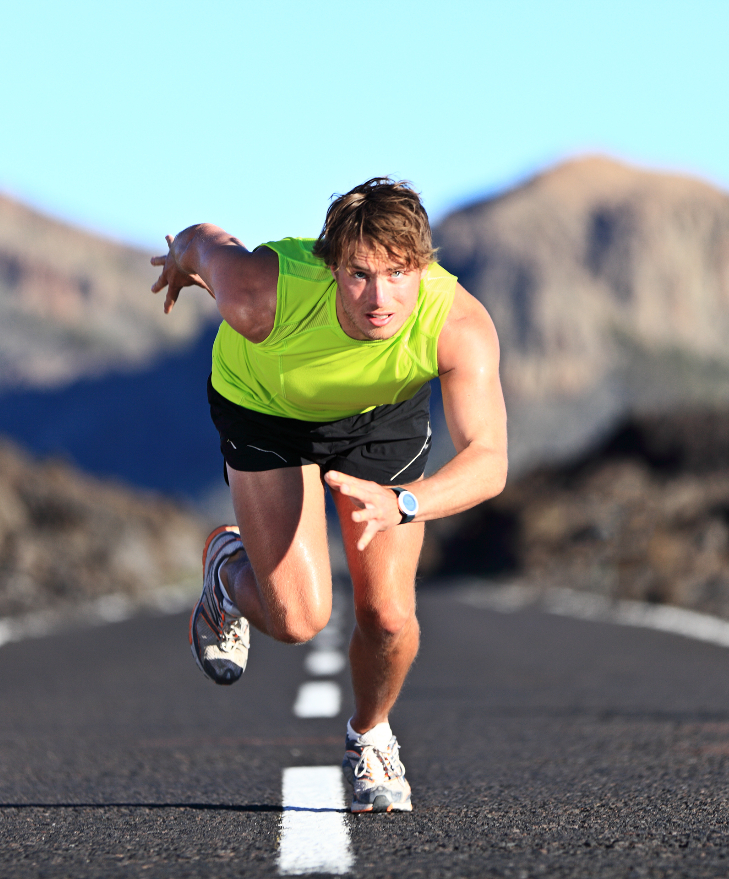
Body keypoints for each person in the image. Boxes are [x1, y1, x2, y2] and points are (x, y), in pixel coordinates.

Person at [150, 178, 507, 813]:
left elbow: (489, 461)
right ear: (330, 266)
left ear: (423, 268)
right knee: (297, 620)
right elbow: (208, 247)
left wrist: (405, 503)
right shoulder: (262, 294)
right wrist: (180, 259)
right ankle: (229, 573)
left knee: (390, 616)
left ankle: (370, 737)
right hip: (263, 408)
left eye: (398, 274)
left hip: (382, 418)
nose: (380, 298)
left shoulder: (456, 323)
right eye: (360, 274)